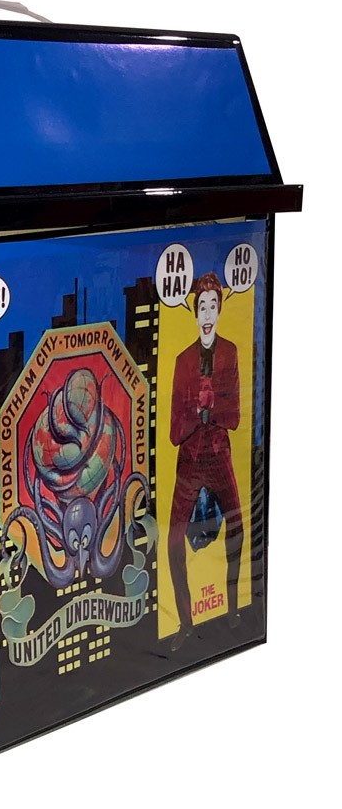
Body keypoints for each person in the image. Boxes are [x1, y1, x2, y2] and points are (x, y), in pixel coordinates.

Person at [167, 273, 243, 652]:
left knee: (239, 527)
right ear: (195, 313)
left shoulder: (230, 352)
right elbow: (173, 431)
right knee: (172, 542)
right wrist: (198, 413)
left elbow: (235, 416)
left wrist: (213, 411)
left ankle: (233, 609)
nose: (208, 313)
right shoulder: (183, 361)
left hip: (219, 455)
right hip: (190, 459)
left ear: (220, 310)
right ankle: (185, 623)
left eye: (214, 305)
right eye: (202, 307)